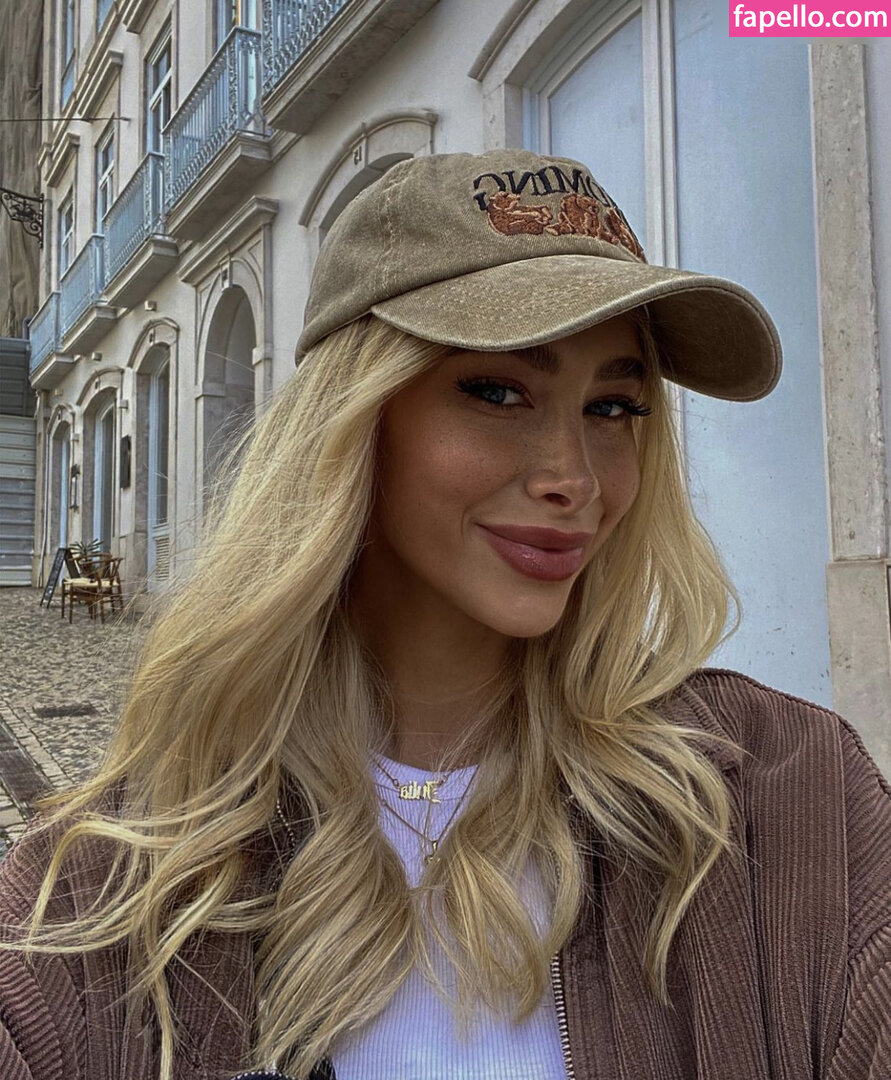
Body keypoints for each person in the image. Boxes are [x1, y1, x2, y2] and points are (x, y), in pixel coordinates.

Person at [1, 149, 889, 1080]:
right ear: (354, 420)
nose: (574, 479)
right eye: (497, 391)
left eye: (613, 407)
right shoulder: (119, 874)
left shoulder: (783, 795)